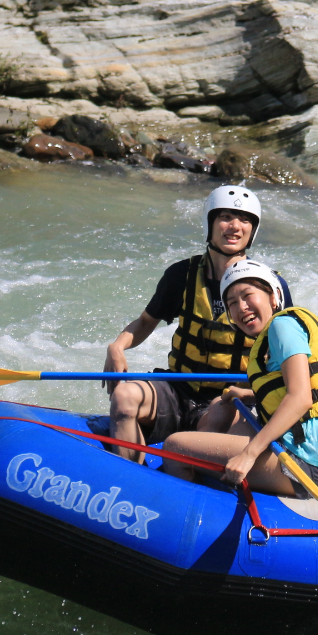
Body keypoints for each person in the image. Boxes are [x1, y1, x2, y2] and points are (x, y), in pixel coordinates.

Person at [102, 186, 292, 461]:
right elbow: (145, 322)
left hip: (230, 399)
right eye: (225, 217)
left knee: (217, 416)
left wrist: (254, 393)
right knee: (123, 396)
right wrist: (117, 347)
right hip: (178, 387)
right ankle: (129, 475)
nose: (235, 227)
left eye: (245, 220)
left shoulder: (269, 286)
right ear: (209, 223)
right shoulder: (181, 275)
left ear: (253, 230)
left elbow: (286, 354)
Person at [164, 261, 318, 496]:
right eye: (232, 303)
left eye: (248, 295)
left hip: (311, 465)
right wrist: (249, 395)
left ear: (274, 297)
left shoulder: (282, 325)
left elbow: (300, 399)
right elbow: (308, 388)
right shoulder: (287, 328)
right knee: (224, 410)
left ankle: (199, 508)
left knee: (174, 447)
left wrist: (249, 454)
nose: (241, 307)